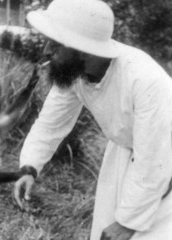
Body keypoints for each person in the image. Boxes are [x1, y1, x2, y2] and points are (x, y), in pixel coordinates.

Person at [14, 0, 172, 239]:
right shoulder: (74, 73)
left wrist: (127, 224)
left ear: (83, 48)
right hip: (126, 160)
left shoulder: (145, 80)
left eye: (55, 44)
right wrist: (29, 167)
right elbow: (51, 123)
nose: (46, 50)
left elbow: (155, 159)